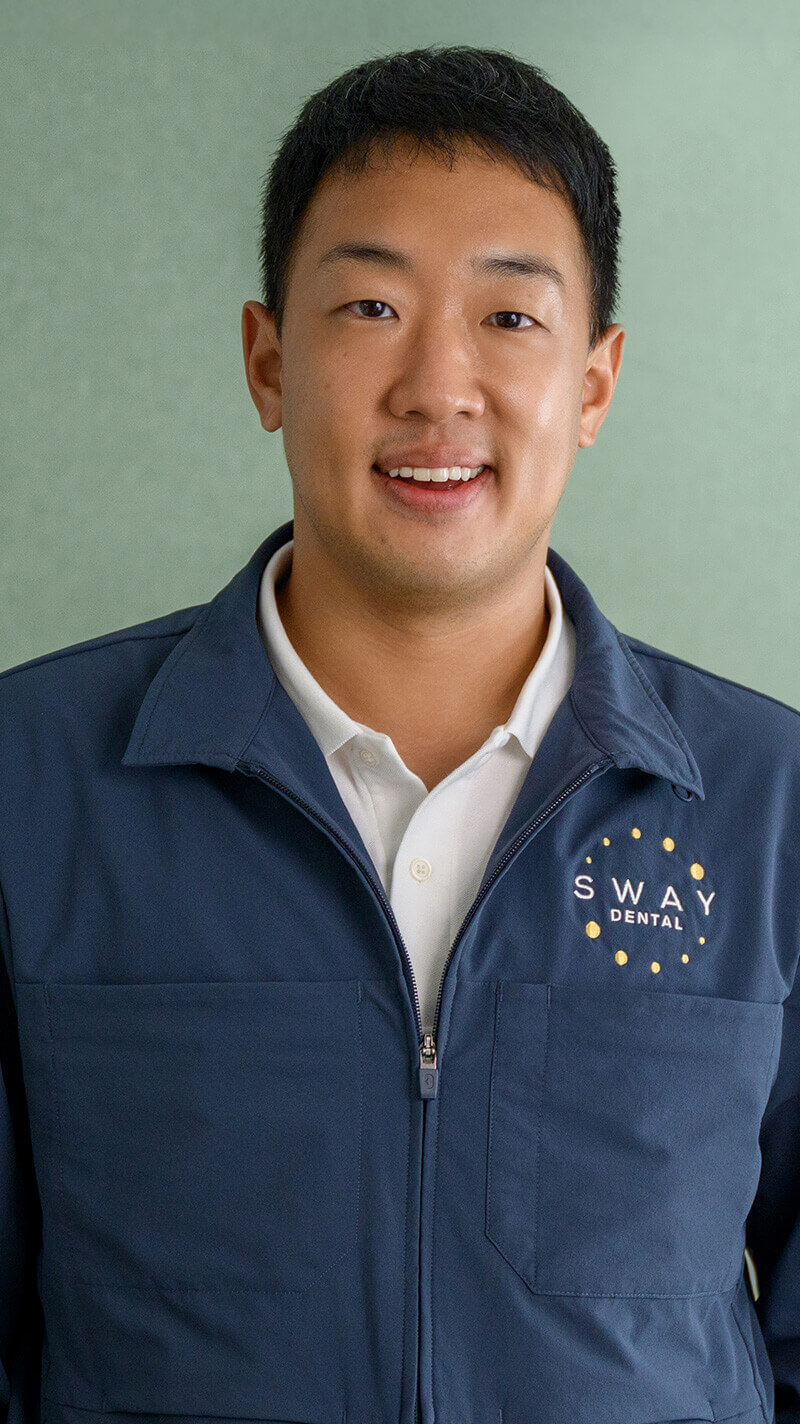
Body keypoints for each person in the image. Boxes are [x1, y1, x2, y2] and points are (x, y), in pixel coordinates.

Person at [1, 42, 798, 1424]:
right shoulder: (32, 779)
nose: (439, 385)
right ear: (269, 361)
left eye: (510, 316)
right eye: (370, 306)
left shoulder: (770, 804)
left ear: (595, 384)